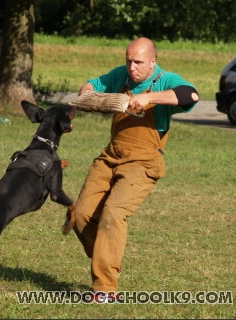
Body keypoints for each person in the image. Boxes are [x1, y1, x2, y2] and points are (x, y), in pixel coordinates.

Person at [73, 37, 199, 302]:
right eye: (128, 60)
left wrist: (149, 97)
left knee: (112, 213)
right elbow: (93, 84)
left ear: (152, 61)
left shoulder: (165, 79)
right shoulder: (122, 76)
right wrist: (86, 94)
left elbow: (191, 95)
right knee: (80, 214)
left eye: (138, 62)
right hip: (111, 154)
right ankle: (109, 256)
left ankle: (105, 290)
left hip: (143, 161)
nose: (132, 67)